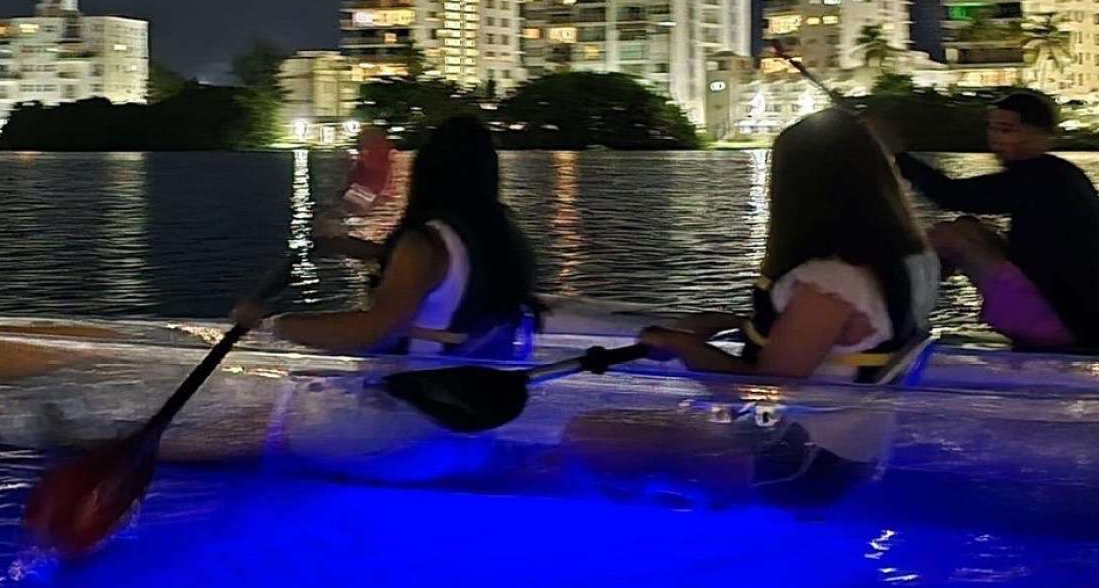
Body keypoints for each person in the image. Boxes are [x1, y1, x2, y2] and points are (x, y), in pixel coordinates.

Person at [565, 108, 940, 506]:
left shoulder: (831, 281)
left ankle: (682, 522)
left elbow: (761, 392)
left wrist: (681, 345)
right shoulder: (915, 262)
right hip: (853, 456)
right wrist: (738, 326)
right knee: (649, 432)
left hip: (799, 465)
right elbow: (841, 346)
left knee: (589, 433)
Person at [234, 115, 543, 359]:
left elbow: (375, 332)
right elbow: (442, 275)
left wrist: (268, 323)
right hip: (482, 393)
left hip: (423, 400)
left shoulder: (424, 243)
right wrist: (351, 247)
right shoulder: (500, 234)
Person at [880, 91, 1099, 351]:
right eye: (992, 128)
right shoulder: (1061, 174)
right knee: (965, 227)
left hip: (1061, 325)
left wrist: (898, 154)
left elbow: (952, 194)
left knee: (946, 238)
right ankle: (902, 305)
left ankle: (889, 319)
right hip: (1073, 317)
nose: (995, 137)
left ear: (1040, 135)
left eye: (1006, 130)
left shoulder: (1039, 177)